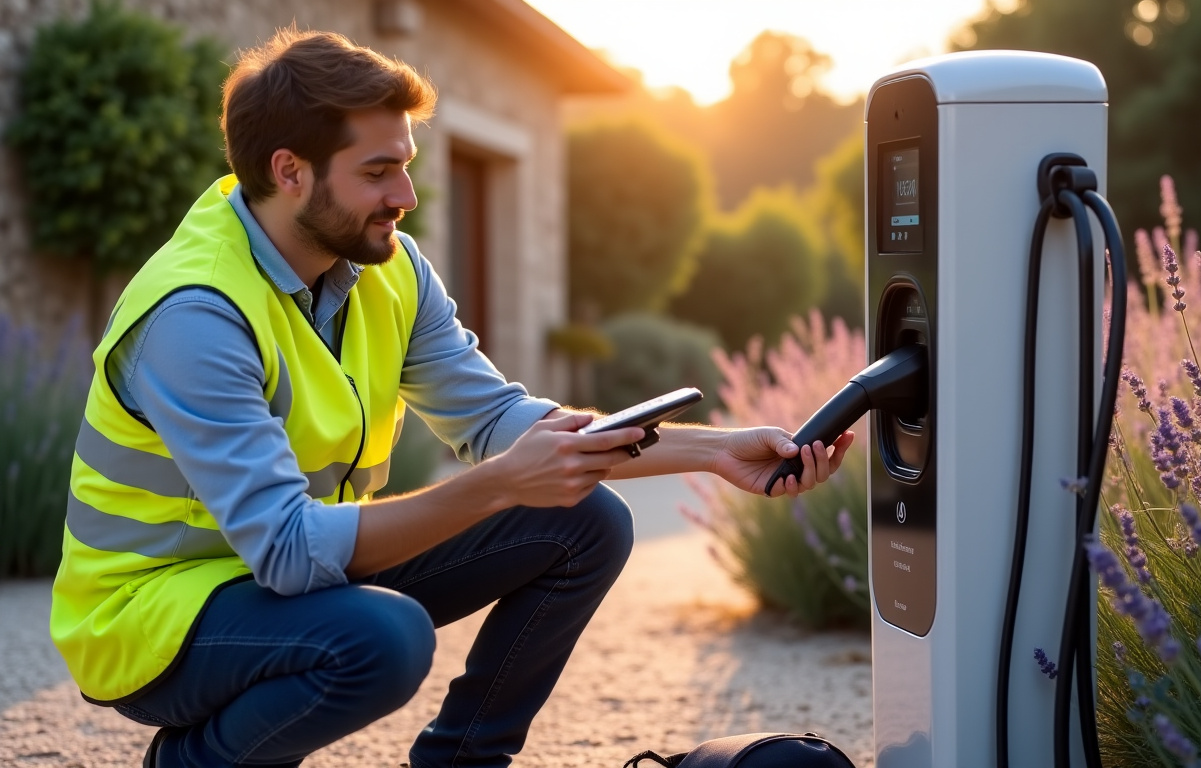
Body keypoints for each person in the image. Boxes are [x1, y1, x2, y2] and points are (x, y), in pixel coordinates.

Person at [49, 28, 856, 768]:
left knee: (586, 520)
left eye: (405, 163)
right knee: (384, 638)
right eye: (377, 172)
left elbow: (498, 421)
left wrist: (715, 450)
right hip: (155, 620)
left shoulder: (389, 269)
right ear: (289, 172)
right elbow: (291, 551)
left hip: (287, 575)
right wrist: (499, 484)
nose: (406, 193)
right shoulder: (197, 314)